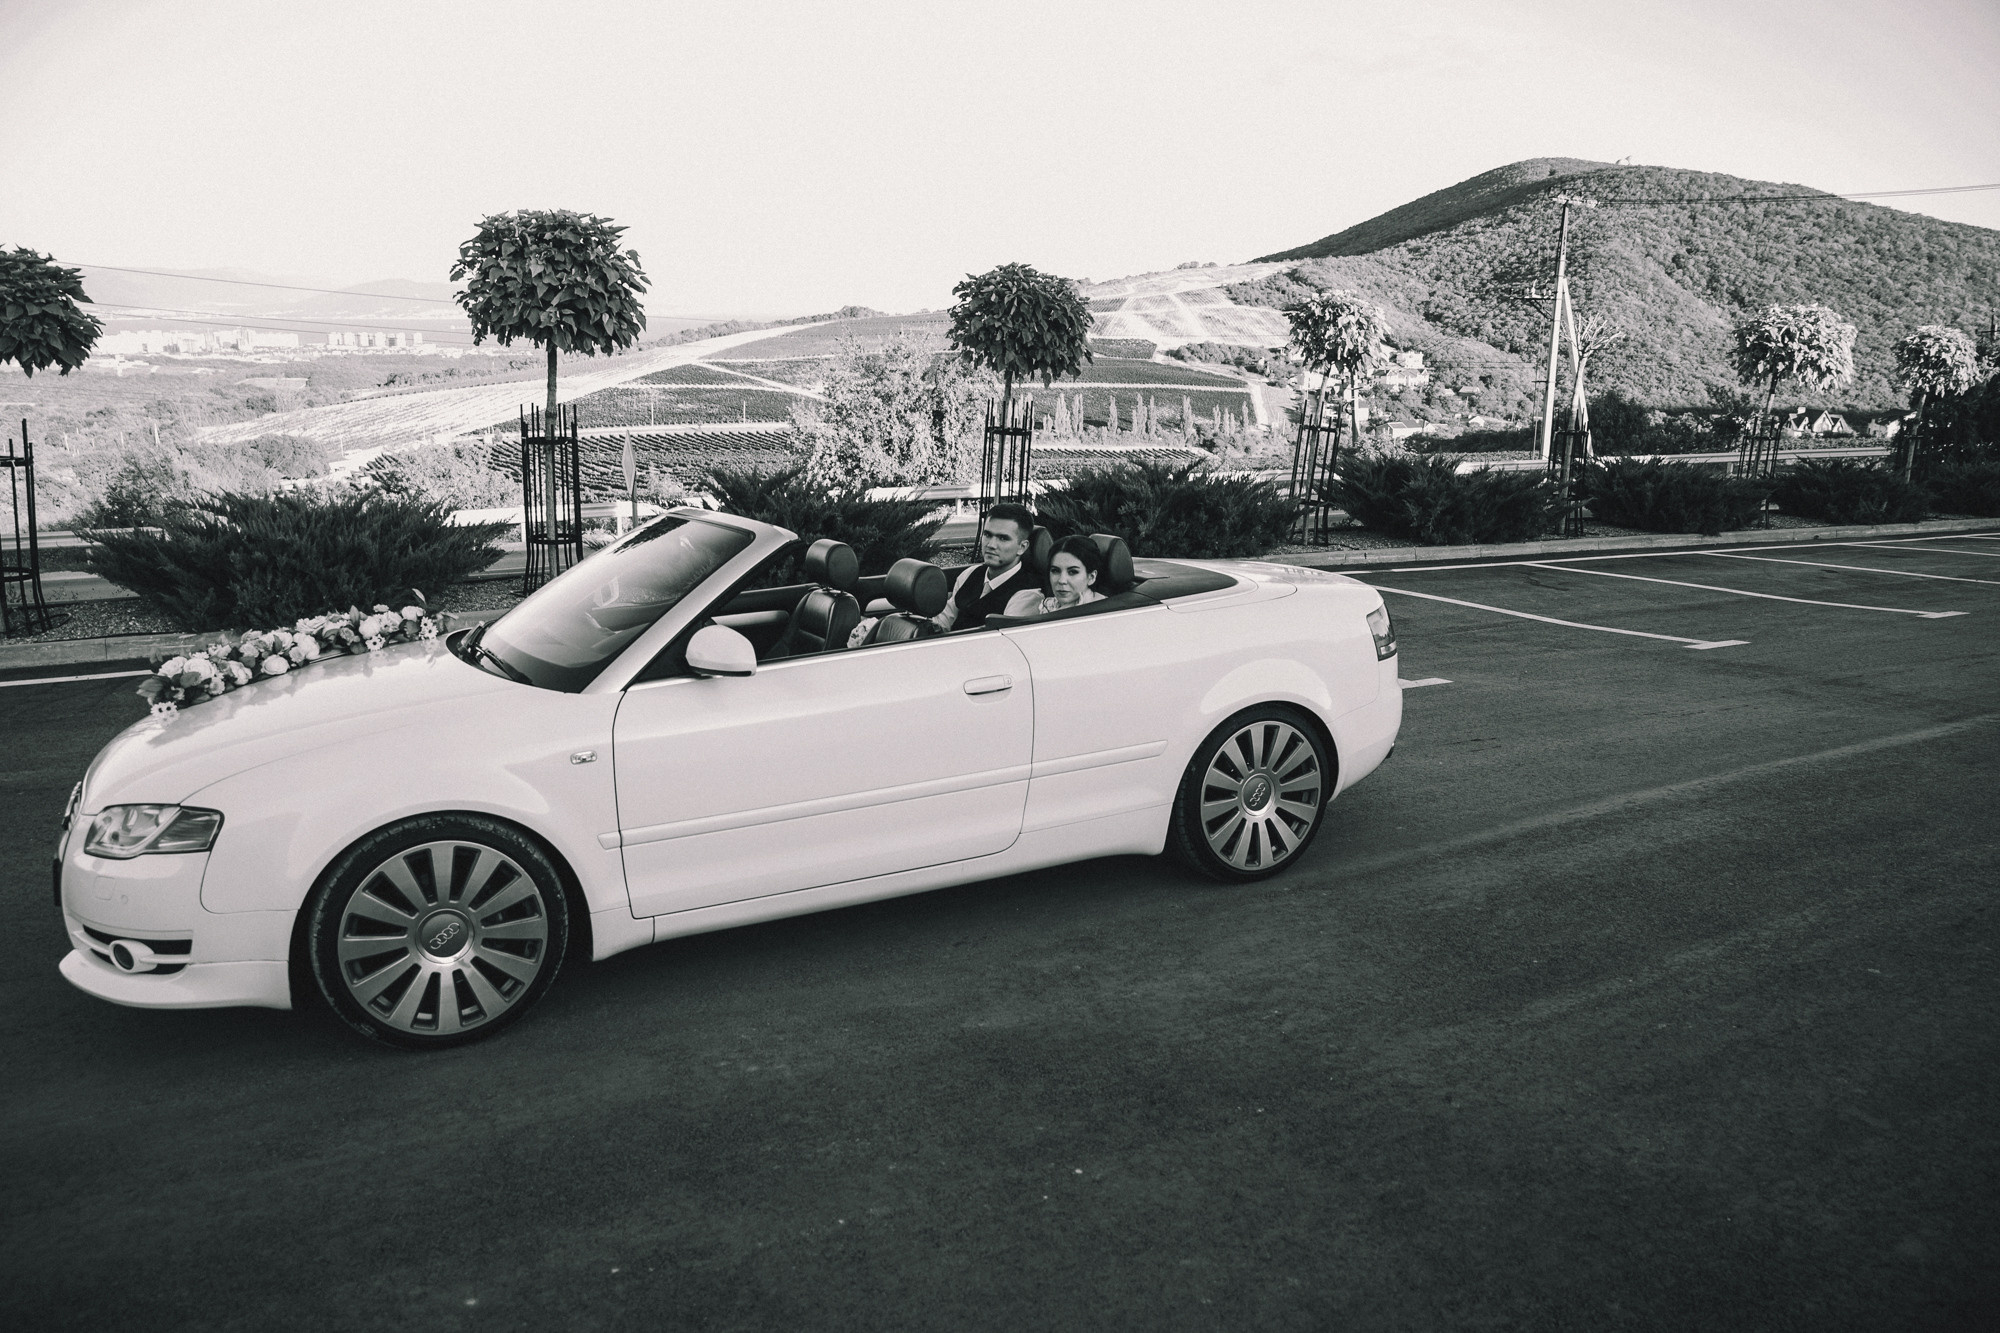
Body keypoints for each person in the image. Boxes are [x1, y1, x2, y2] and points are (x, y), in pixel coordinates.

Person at [933, 502, 1039, 631]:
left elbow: (1001, 643)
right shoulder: (969, 574)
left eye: (1003, 538)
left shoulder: (1027, 595)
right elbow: (943, 621)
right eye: (988, 535)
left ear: (1022, 547)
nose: (991, 545)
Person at [1004, 535, 1106, 619]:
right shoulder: (1033, 603)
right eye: (1055, 571)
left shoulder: (1103, 613)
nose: (1061, 580)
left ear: (1091, 577)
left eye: (1073, 572)